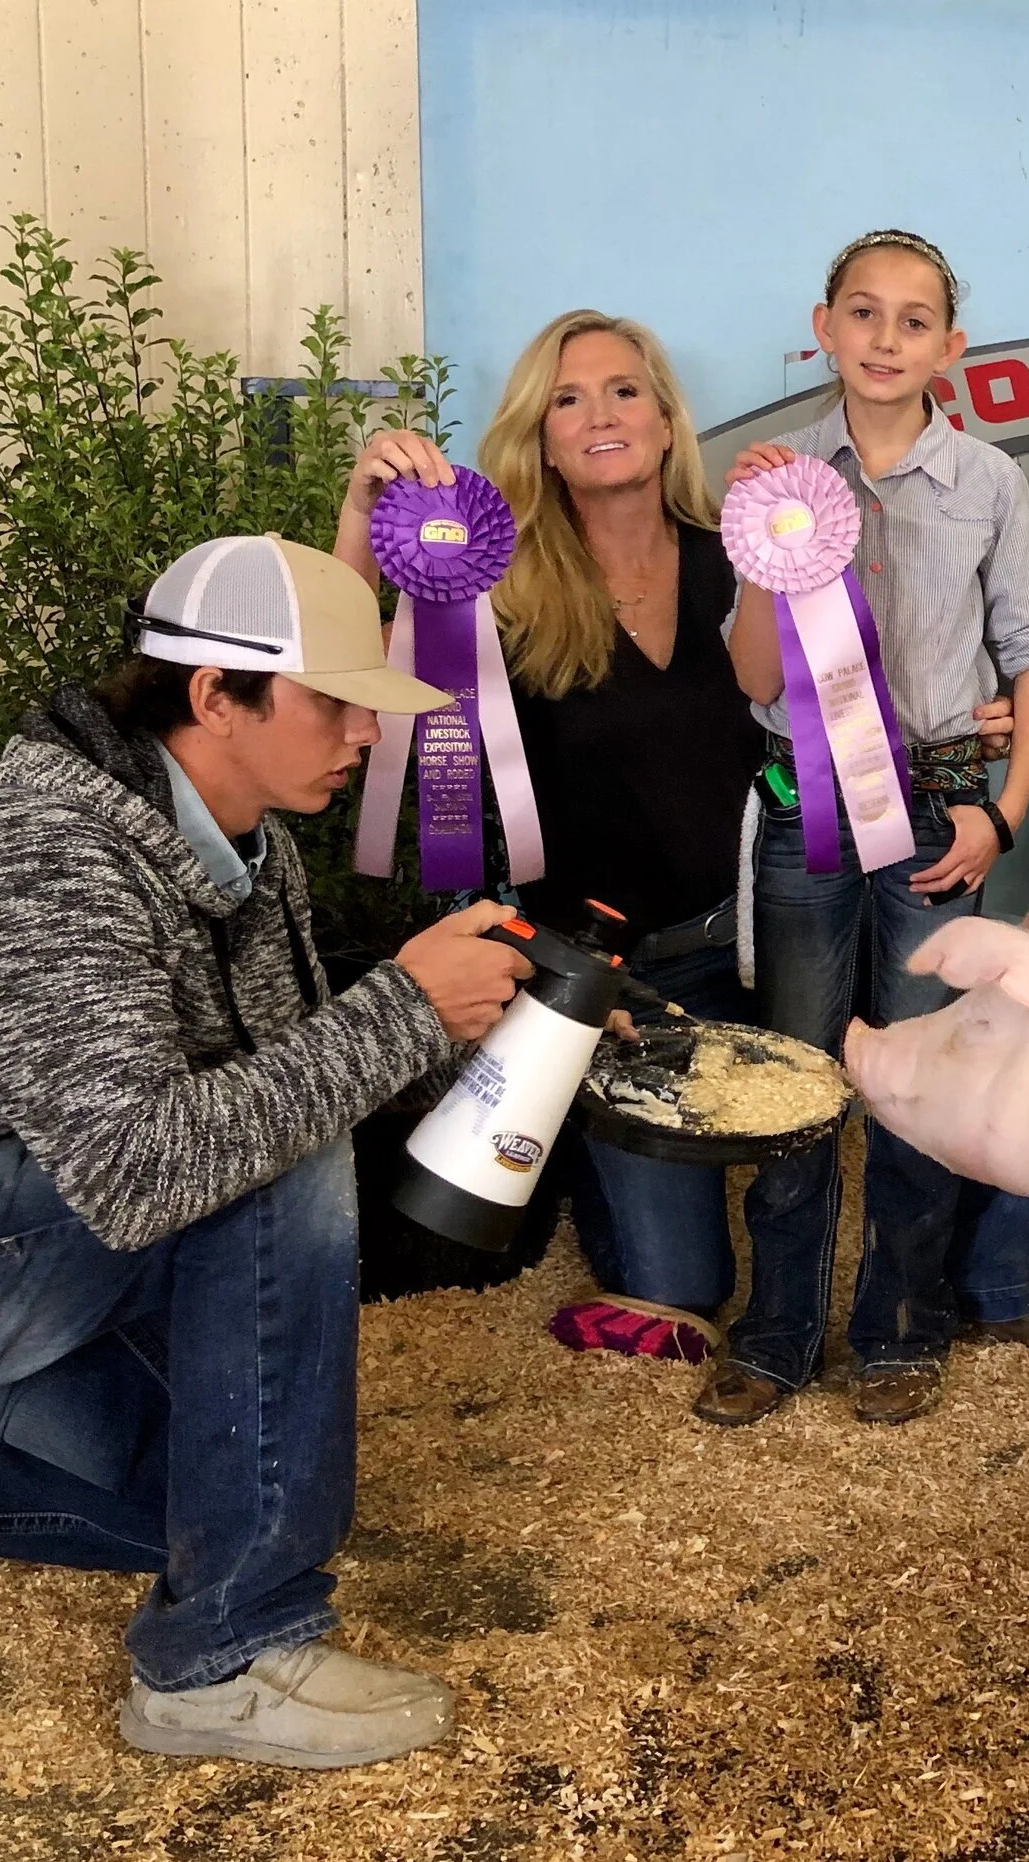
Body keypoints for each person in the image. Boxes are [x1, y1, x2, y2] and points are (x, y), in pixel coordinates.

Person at [0, 534, 532, 1766]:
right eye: (333, 703)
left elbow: (284, 1060)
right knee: (284, 1157)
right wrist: (398, 1009)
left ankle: (206, 1559)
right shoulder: (45, 844)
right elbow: (135, 1168)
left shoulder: (246, 836)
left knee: (209, 1497)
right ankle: (217, 1659)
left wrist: (498, 1030)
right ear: (215, 697)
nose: (365, 735)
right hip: (28, 1246)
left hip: (46, 1272)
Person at [334, 311, 832, 1372]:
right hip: (612, 988)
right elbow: (356, 699)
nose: (598, 414)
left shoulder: (739, 559)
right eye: (567, 399)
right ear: (540, 436)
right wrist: (356, 523)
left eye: (621, 390)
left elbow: (831, 703)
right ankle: (565, 1112)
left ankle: (581, 1123)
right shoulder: (491, 586)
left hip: (758, 944)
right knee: (679, 1301)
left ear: (663, 418)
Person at [711, 229, 1029, 1428]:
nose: (884, 338)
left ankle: (899, 1326)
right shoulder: (777, 475)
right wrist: (769, 547)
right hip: (800, 801)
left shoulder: (991, 484)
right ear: (823, 327)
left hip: (937, 812)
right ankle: (774, 1332)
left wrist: (1003, 812)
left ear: (949, 348)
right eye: (862, 314)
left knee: (917, 1083)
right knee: (797, 1075)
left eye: (913, 321)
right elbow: (753, 671)